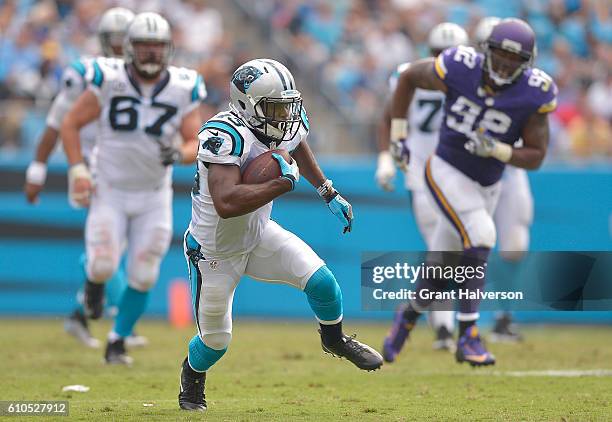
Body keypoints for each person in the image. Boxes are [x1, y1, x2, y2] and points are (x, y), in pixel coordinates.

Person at [178, 58, 383, 411]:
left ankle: (334, 340)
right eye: (275, 107)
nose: (284, 116)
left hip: (258, 235)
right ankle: (192, 375)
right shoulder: (222, 135)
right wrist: (281, 183)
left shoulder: (281, 122)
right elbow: (226, 202)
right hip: (214, 253)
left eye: (287, 106)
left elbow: (298, 140)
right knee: (215, 342)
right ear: (246, 105)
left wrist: (327, 191)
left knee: (323, 283)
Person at [382, 18, 557, 366]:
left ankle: (406, 319)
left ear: (528, 63)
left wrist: (498, 150)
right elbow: (408, 77)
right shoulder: (460, 66)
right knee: (482, 234)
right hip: (445, 168)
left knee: (441, 266)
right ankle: (469, 337)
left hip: (488, 183)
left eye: (514, 61)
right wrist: (398, 136)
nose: (505, 66)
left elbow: (536, 156)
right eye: (500, 57)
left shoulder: (535, 91)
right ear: (485, 51)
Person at [61, 12, 206, 364]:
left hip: (153, 194)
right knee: (103, 265)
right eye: (144, 46)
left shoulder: (183, 86)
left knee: (144, 273)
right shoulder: (109, 79)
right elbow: (70, 123)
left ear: (169, 49)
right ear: (129, 48)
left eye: (157, 47)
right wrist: (78, 168)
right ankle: (93, 287)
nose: (151, 54)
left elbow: (194, 141)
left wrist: (179, 153)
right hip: (109, 188)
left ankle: (117, 341)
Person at [23, 7, 148, 349]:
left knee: (114, 244)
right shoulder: (86, 73)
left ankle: (80, 314)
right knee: (105, 243)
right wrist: (37, 168)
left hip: (125, 170)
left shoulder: (149, 78)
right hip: (89, 169)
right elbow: (55, 122)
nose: (124, 47)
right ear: (106, 41)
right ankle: (123, 319)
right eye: (118, 40)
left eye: (130, 41)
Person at [376, 22, 468, 353]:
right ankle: (446, 327)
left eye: (450, 54)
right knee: (441, 249)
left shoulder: (472, 78)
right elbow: (388, 116)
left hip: (462, 174)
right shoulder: (410, 75)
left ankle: (444, 323)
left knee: (455, 250)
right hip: (423, 174)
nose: (444, 60)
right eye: (439, 54)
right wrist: (385, 157)